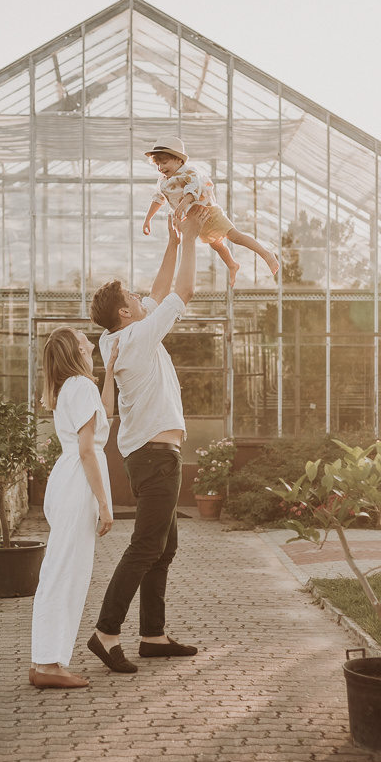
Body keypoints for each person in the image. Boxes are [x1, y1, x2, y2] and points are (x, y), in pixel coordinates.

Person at [85, 213, 202, 675]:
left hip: (147, 455)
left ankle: (153, 635)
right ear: (124, 313)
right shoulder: (135, 337)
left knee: (163, 547)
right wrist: (192, 239)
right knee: (145, 546)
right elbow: (182, 293)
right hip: (156, 458)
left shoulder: (116, 337)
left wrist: (172, 244)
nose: (140, 297)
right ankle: (105, 632)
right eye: (132, 297)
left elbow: (156, 293)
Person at [29, 328, 118, 689]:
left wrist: (109, 371)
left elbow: (105, 416)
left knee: (61, 572)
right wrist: (104, 503)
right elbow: (87, 450)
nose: (92, 345)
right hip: (78, 483)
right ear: (76, 350)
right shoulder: (79, 387)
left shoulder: (74, 387)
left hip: (67, 480)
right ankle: (48, 665)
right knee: (65, 575)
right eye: (86, 342)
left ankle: (45, 661)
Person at [142, 135, 279, 286]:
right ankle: (232, 264)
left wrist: (183, 203)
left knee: (234, 236)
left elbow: (193, 188)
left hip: (208, 213)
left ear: (179, 160)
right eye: (158, 164)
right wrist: (148, 219)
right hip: (196, 220)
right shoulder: (163, 180)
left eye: (164, 162)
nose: (161, 168)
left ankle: (266, 254)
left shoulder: (189, 172)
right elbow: (158, 198)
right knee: (217, 245)